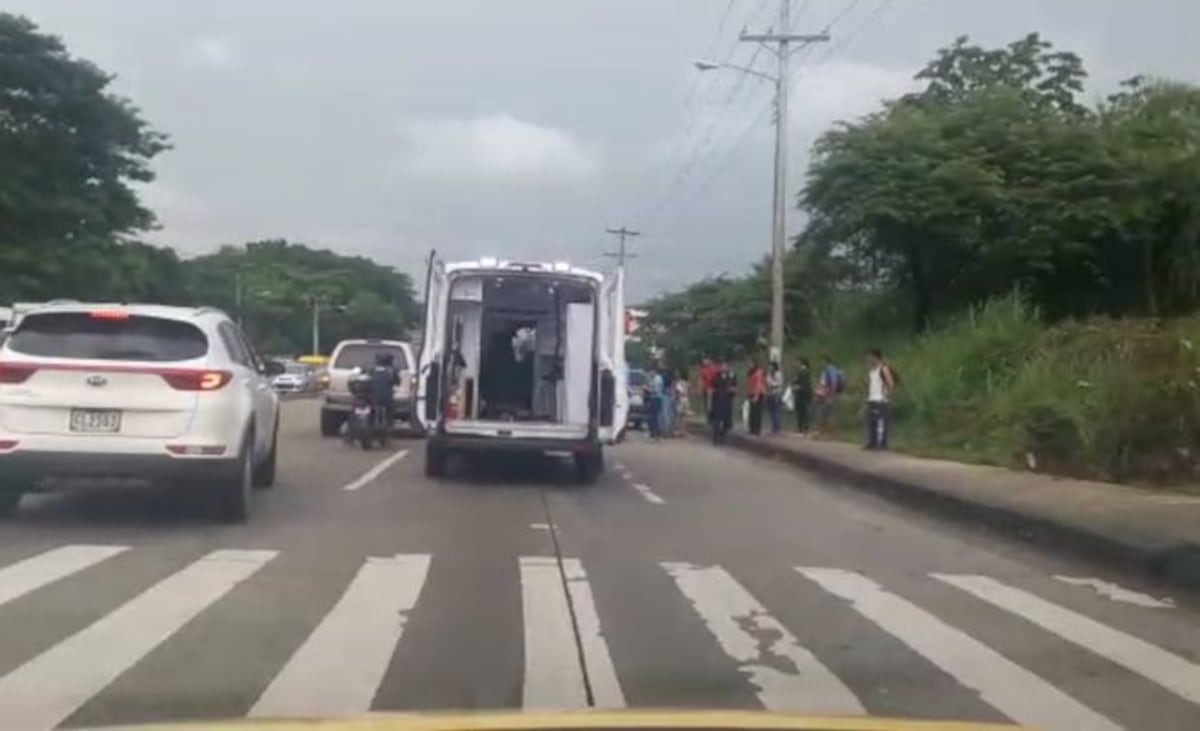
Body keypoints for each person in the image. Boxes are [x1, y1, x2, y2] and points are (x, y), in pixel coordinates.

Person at [865, 348, 896, 450]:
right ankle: (872, 442)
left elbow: (890, 383)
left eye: (870, 356)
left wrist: (887, 395)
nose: (868, 359)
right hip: (872, 399)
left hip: (880, 399)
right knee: (872, 422)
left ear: (875, 357)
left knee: (881, 423)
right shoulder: (872, 370)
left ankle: (883, 444)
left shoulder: (883, 369)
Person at [368, 352, 400, 430]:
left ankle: (370, 423)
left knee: (371, 409)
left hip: (373, 397)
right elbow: (397, 382)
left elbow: (368, 379)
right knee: (390, 409)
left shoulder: (372, 369)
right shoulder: (392, 370)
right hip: (387, 397)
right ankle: (389, 425)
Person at [814, 354, 843, 437]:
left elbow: (833, 383)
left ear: (825, 361)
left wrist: (831, 396)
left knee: (828, 414)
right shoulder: (824, 370)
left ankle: (828, 434)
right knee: (823, 413)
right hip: (823, 394)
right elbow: (823, 382)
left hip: (828, 395)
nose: (820, 363)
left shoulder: (830, 369)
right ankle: (822, 432)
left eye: (821, 361)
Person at [709, 362, 736, 444]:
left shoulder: (731, 377)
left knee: (726, 421)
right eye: (722, 367)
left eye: (725, 367)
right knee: (716, 420)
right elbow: (712, 388)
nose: (723, 368)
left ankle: (723, 436)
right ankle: (715, 439)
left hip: (727, 401)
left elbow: (735, 388)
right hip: (717, 400)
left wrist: (732, 391)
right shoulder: (716, 377)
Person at [790, 358, 813, 435]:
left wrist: (797, 387)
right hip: (802, 395)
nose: (798, 364)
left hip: (803, 395)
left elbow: (804, 384)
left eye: (799, 363)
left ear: (803, 364)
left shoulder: (804, 372)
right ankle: (802, 428)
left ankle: (803, 429)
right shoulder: (803, 372)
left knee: (803, 412)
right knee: (801, 412)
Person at [766, 361, 785, 435]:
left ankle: (777, 428)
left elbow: (779, 383)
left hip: (777, 393)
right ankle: (773, 427)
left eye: (770, 366)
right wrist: (769, 382)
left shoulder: (778, 374)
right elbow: (767, 381)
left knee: (776, 411)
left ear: (774, 367)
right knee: (771, 411)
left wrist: (772, 383)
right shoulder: (769, 374)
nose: (769, 368)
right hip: (770, 393)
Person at [646, 367, 665, 440]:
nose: (650, 373)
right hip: (658, 399)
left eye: (651, 372)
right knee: (655, 417)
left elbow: (655, 390)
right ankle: (656, 434)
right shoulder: (659, 378)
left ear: (654, 371)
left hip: (655, 399)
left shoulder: (656, 379)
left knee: (653, 417)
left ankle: (655, 434)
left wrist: (647, 389)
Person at [672, 369, 690, 437]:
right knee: (684, 416)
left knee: (678, 416)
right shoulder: (687, 383)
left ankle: (677, 431)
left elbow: (678, 391)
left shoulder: (679, 383)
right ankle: (683, 431)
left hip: (680, 399)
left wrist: (675, 397)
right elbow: (689, 391)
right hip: (686, 399)